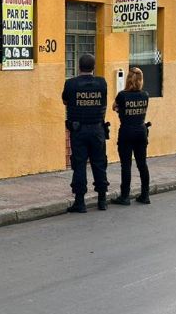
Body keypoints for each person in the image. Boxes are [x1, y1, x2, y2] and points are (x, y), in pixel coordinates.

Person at [62, 53, 109, 213]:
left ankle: (80, 202)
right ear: (93, 67)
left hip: (79, 130)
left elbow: (65, 101)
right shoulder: (102, 83)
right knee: (99, 163)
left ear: (78, 66)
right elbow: (104, 102)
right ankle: (102, 200)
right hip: (97, 130)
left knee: (79, 165)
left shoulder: (70, 84)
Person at [111, 67, 151, 205]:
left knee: (126, 165)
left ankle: (125, 196)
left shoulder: (122, 95)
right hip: (141, 131)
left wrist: (120, 109)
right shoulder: (145, 95)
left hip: (126, 132)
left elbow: (114, 106)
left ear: (128, 80)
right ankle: (145, 195)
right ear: (141, 80)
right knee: (142, 164)